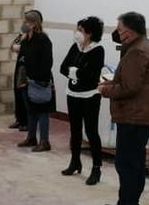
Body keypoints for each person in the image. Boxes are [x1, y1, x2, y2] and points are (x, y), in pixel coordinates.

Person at [97, 12, 149, 205]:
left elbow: (130, 87)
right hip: (140, 115)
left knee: (127, 165)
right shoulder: (143, 45)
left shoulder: (138, 52)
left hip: (135, 117)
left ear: (128, 31)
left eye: (119, 28)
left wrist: (105, 89)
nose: (116, 32)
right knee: (134, 164)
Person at [59, 16, 105, 185]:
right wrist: (77, 72)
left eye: (81, 30)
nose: (77, 33)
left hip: (90, 96)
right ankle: (75, 161)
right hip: (73, 93)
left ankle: (96, 168)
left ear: (90, 33)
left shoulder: (98, 50)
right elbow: (63, 67)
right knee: (75, 130)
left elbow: (91, 76)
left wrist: (75, 72)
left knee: (91, 131)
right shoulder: (76, 47)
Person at [16, 10, 55, 152]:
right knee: (31, 110)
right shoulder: (26, 40)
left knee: (42, 111)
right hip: (27, 80)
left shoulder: (43, 40)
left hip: (39, 80)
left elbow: (47, 62)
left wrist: (39, 79)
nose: (24, 24)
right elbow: (22, 58)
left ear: (33, 24)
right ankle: (31, 137)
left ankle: (45, 141)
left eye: (26, 22)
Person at [9, 25, 29, 132]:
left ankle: (26, 122)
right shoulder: (22, 36)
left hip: (28, 68)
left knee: (25, 94)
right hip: (20, 66)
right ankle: (19, 119)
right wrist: (21, 34)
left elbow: (26, 49)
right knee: (17, 92)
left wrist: (20, 48)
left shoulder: (36, 38)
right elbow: (12, 46)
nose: (25, 24)